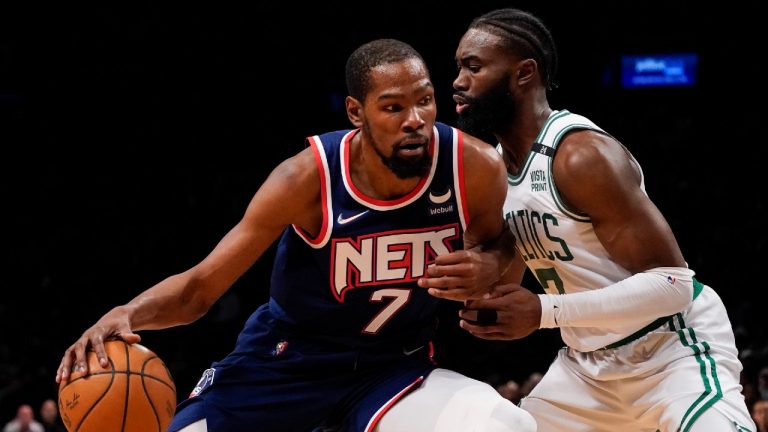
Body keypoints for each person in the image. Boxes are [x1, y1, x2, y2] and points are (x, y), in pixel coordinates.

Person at [55, 38, 536, 432]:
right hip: (284, 365)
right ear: (356, 112)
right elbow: (200, 290)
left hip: (393, 367)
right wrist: (126, 312)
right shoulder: (305, 179)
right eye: (393, 107)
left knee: (504, 426)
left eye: (424, 100)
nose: (414, 119)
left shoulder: (472, 165)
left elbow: (502, 251)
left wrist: (493, 265)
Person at [418, 7, 756, 431]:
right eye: (459, 68)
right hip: (588, 368)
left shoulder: (579, 155)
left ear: (524, 74)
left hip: (672, 352)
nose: (458, 81)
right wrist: (478, 278)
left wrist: (542, 311)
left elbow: (674, 285)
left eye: (474, 67)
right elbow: (509, 278)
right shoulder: (495, 170)